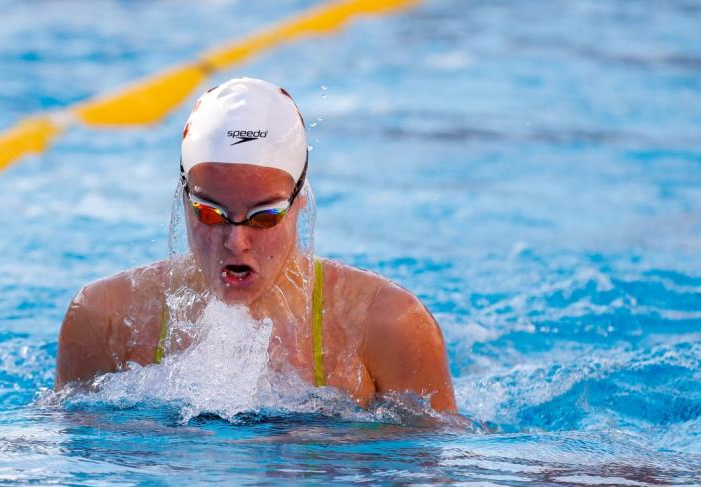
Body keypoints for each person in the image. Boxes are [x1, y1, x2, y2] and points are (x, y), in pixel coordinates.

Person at [55, 77, 456, 413]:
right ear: (184, 199)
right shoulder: (103, 319)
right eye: (210, 213)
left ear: (300, 203)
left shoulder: (385, 325)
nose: (236, 241)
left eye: (265, 217)